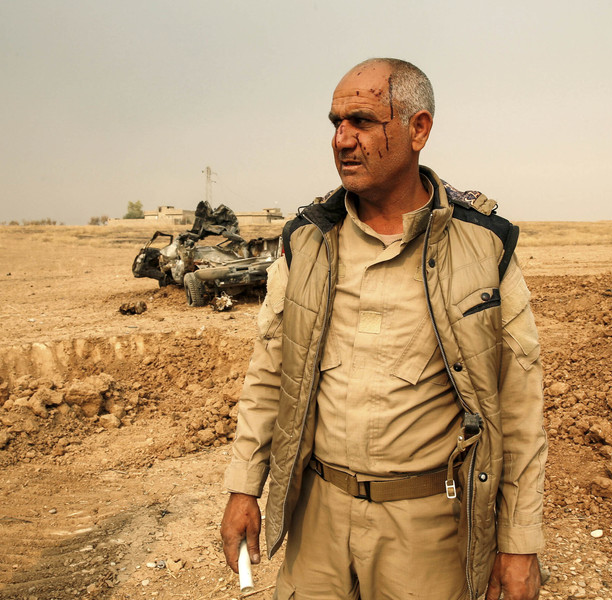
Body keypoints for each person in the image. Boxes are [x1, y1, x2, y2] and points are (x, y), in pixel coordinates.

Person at [220, 58, 546, 600]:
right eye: (335, 124)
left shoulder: (483, 247)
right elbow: (270, 374)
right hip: (317, 519)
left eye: (362, 122)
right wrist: (243, 487)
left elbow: (518, 406)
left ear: (418, 129)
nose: (342, 140)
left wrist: (519, 542)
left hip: (428, 531)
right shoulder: (307, 240)